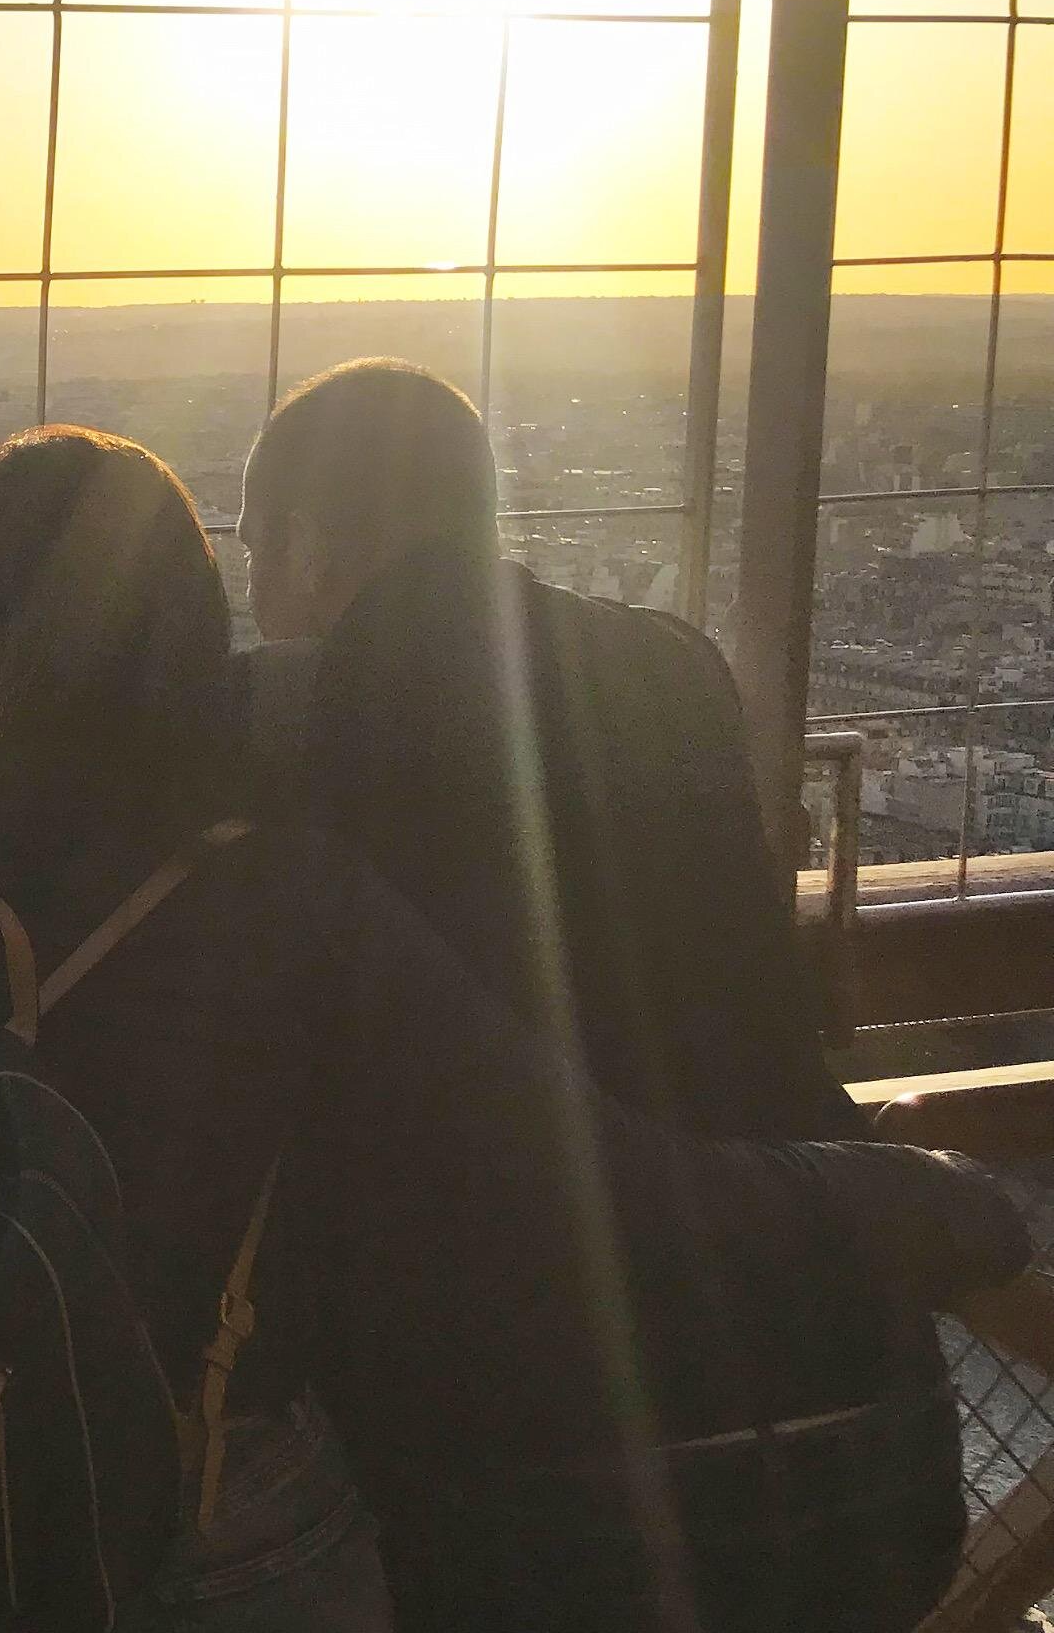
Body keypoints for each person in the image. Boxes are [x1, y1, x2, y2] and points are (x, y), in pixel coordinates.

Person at [0, 427, 1029, 1633]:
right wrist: (922, 1198)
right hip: (200, 1501)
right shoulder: (282, 896)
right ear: (192, 624)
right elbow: (597, 1181)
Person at [239, 360, 953, 1625]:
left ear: (303, 542)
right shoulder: (676, 671)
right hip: (848, 1408)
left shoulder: (300, 716)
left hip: (536, 1464)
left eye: (254, 556)